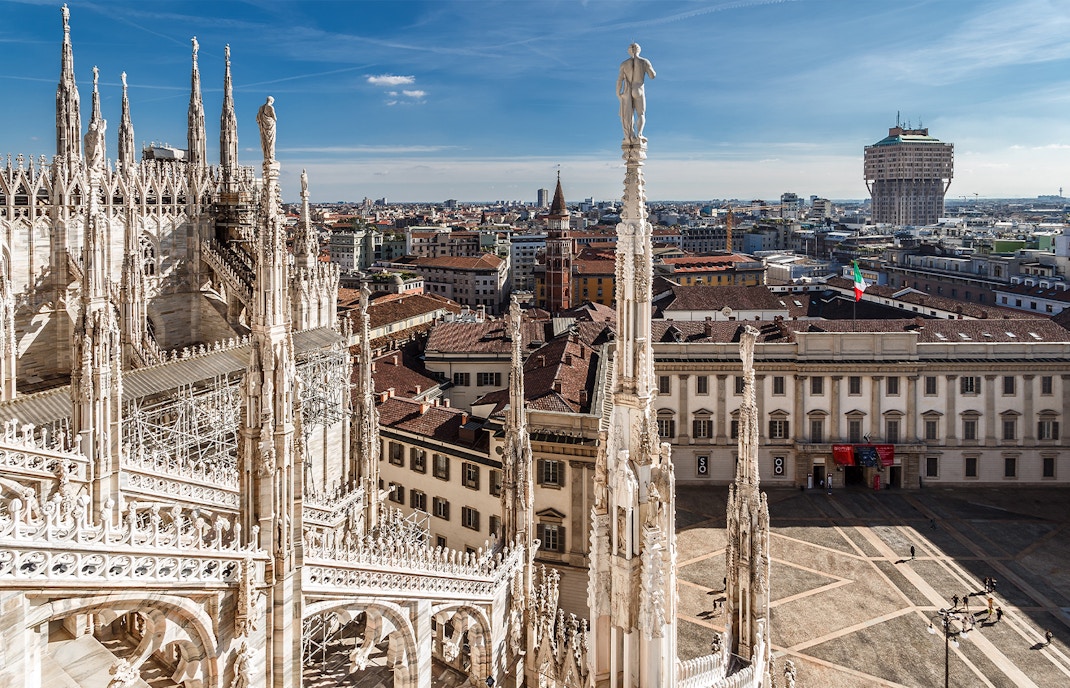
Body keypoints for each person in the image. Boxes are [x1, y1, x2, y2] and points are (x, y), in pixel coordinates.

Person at [616, 43, 656, 143]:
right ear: (639, 50)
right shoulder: (644, 61)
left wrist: (618, 93)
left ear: (629, 51)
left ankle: (629, 135)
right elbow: (652, 76)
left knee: (628, 115)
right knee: (641, 114)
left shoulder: (624, 64)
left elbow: (619, 80)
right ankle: (639, 134)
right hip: (638, 89)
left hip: (627, 91)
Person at [256, 96, 277, 162]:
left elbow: (257, 118)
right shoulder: (271, 107)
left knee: (265, 141)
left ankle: (266, 156)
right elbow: (275, 118)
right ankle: (271, 156)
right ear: (271, 101)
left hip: (264, 128)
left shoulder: (261, 108)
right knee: (271, 142)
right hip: (270, 127)